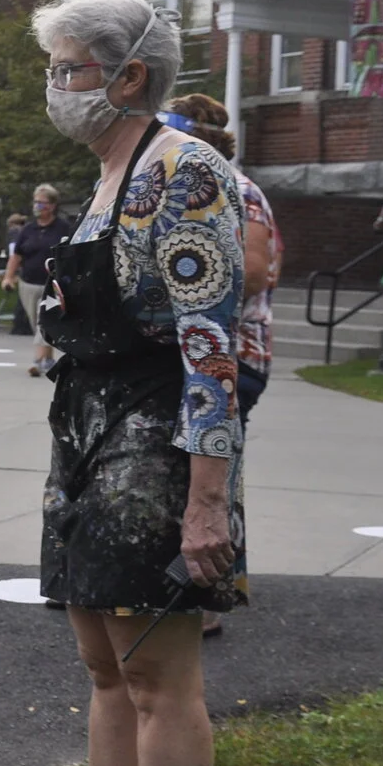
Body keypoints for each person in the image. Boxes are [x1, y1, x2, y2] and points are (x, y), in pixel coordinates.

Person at [2, 0, 245, 766]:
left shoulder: (186, 172)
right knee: (105, 669)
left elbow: (210, 345)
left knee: (157, 677)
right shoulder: (105, 178)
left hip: (156, 444)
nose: (55, 87)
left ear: (128, 74)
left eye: (67, 69)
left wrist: (205, 501)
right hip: (87, 435)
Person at [163, 96, 279, 639]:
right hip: (192, 352)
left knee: (214, 471)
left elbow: (253, 272)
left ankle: (208, 594)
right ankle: (179, 584)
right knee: (184, 469)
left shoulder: (239, 189)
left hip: (230, 356)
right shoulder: (177, 187)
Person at [3, 184, 73, 374]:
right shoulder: (28, 230)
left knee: (44, 321)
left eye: (41, 203)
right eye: (35, 202)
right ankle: (48, 359)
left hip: (52, 284)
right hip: (28, 283)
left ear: (51, 205)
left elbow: (71, 254)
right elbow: (16, 256)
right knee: (38, 323)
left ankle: (38, 360)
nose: (37, 206)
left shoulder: (63, 228)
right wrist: (8, 277)